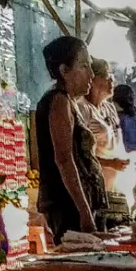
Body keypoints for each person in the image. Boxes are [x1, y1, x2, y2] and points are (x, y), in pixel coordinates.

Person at [35, 36, 106, 241]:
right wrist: (84, 212)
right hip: (68, 207)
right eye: (84, 67)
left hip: (75, 205)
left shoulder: (69, 102)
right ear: (64, 71)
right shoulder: (59, 102)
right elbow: (64, 159)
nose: (91, 75)